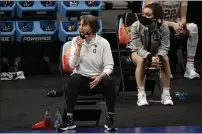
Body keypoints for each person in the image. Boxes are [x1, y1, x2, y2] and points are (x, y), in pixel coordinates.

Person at [58, 15, 117, 131]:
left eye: (84, 25)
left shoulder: (103, 43)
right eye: (80, 25)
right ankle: (69, 119)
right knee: (73, 79)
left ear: (92, 27)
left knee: (109, 81)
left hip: (97, 80)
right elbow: (72, 65)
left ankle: (110, 118)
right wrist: (78, 49)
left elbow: (109, 66)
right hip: (81, 80)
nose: (81, 27)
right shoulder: (76, 41)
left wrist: (100, 76)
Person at [127, 3, 173, 106]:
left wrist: (159, 57)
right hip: (136, 51)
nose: (144, 17)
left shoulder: (164, 27)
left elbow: (165, 47)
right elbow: (138, 47)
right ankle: (141, 94)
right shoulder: (136, 26)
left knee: (165, 59)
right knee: (141, 60)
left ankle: (165, 94)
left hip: (156, 52)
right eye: (143, 14)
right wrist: (149, 57)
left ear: (156, 17)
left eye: (148, 15)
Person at [143, 1, 200, 79]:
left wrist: (180, 25)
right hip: (157, 24)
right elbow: (151, 18)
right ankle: (161, 67)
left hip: (175, 24)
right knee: (161, 28)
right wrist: (172, 24)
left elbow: (183, 18)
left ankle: (189, 67)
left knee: (193, 27)